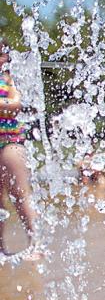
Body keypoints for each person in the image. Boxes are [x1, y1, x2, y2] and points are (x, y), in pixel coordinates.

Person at [0, 43, 39, 259]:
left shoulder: (8, 79)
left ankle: (36, 243)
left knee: (20, 195)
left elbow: (15, 103)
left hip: (9, 141)